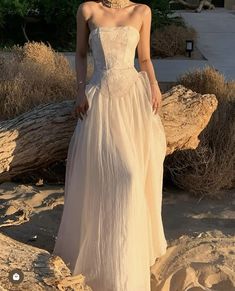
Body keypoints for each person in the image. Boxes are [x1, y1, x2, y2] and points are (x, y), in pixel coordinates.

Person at [53, 1, 168, 290]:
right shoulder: (87, 10)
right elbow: (80, 55)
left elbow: (144, 60)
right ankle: (104, 259)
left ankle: (127, 259)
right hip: (100, 102)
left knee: (131, 178)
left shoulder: (142, 11)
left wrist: (153, 84)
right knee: (105, 179)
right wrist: (79, 91)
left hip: (133, 101)